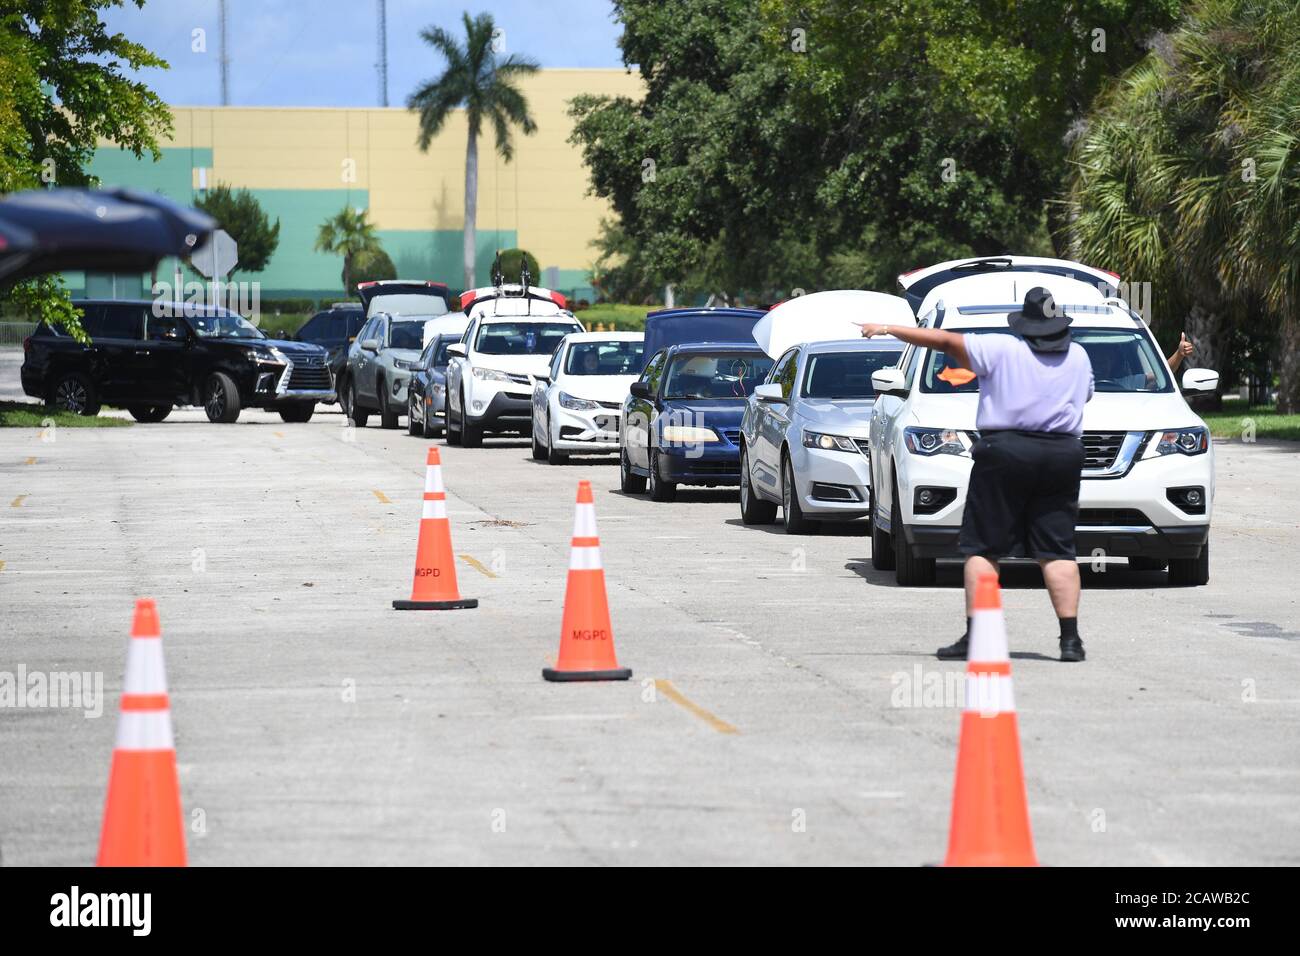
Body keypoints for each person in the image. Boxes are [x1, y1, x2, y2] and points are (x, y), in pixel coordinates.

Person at [858, 287, 1095, 663]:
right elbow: (1085, 398)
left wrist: (888, 328)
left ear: (1025, 326)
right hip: (1062, 455)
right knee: (1057, 550)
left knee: (983, 547)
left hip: (1005, 452)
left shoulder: (1002, 349)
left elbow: (942, 340)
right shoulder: (1079, 356)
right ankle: (1070, 640)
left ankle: (979, 637)